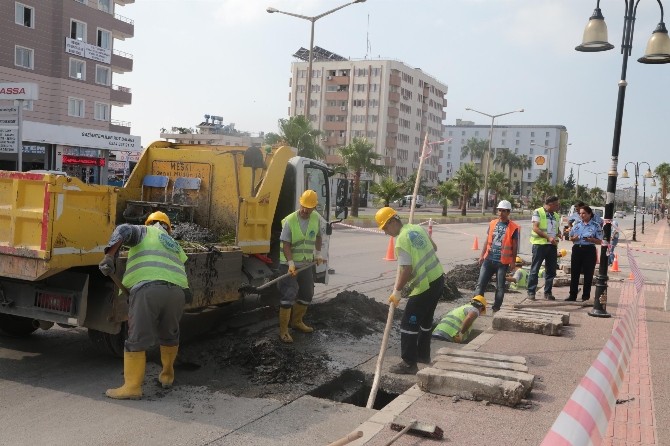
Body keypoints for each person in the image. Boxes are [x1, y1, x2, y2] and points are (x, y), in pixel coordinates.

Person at [98, 211, 189, 400]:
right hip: (176, 292)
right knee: (169, 334)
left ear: (150, 222)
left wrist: (109, 256)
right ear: (168, 228)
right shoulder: (174, 244)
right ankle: (167, 377)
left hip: (149, 290)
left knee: (137, 337)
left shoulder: (145, 231)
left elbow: (122, 230)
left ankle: (132, 387)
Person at [375, 206, 444, 374]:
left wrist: (397, 291)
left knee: (408, 323)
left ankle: (408, 363)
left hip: (424, 286)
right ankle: (423, 356)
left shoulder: (401, 240)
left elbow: (406, 269)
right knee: (426, 322)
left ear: (392, 222)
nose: (385, 232)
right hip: (438, 279)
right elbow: (434, 248)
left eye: (385, 228)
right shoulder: (416, 228)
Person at [277, 190, 324, 344]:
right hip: (288, 264)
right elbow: (286, 244)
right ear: (300, 203)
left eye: (308, 207)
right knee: (289, 294)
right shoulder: (290, 220)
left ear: (314, 207)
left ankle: (296, 322)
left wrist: (318, 254)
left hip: (305, 264)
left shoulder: (316, 218)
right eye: (303, 206)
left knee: (307, 293)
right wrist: (290, 263)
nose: (305, 210)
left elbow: (318, 236)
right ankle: (283, 331)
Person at [473, 200, 520, 312]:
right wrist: (482, 255)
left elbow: (514, 246)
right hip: (488, 259)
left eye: (503, 211)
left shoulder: (513, 227)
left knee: (500, 287)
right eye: (499, 210)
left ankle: (496, 308)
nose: (501, 213)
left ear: (508, 212)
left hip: (502, 262)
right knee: (480, 284)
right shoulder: (493, 223)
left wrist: (513, 262)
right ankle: (476, 307)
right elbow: (487, 240)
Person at [566, 205, 604, 301]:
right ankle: (572, 295)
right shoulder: (577, 224)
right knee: (574, 273)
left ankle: (585, 296)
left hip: (589, 250)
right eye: (580, 213)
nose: (581, 215)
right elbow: (570, 237)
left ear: (589, 214)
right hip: (577, 249)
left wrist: (591, 240)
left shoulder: (596, 225)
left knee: (588, 274)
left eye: (584, 213)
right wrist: (573, 238)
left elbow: (600, 241)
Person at [528, 196, 561, 301]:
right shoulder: (538, 212)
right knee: (535, 269)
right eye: (556, 205)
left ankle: (547, 292)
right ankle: (531, 292)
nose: (557, 207)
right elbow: (535, 228)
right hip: (539, 245)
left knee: (551, 270)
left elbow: (555, 229)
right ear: (550, 204)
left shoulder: (556, 215)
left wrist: (559, 233)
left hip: (552, 246)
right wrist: (548, 237)